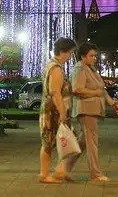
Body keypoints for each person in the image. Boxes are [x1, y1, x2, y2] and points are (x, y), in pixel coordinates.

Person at [65, 42, 118, 182]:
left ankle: (64, 169)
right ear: (83, 56)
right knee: (92, 143)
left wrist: (113, 103)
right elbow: (77, 89)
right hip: (86, 110)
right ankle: (95, 174)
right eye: (91, 55)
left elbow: (102, 90)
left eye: (95, 56)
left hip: (93, 110)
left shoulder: (91, 69)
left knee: (83, 142)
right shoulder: (79, 69)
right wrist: (95, 92)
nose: (94, 58)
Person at [38, 37, 77, 183]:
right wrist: (62, 113)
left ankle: (57, 171)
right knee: (52, 142)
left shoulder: (51, 65)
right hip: (53, 111)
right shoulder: (56, 68)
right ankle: (46, 174)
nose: (70, 56)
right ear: (62, 51)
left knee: (55, 142)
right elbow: (55, 92)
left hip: (49, 110)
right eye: (70, 52)